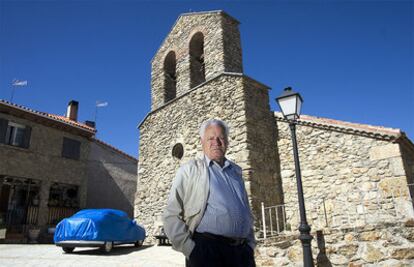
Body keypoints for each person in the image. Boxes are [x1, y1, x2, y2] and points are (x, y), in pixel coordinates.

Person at [163, 119, 256, 267]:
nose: (216, 142)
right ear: (202, 142)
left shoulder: (236, 172)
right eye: (211, 138)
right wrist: (191, 250)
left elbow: (246, 210)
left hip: (242, 254)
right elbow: (171, 215)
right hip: (208, 253)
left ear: (227, 141)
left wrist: (250, 245)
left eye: (220, 138)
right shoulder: (190, 170)